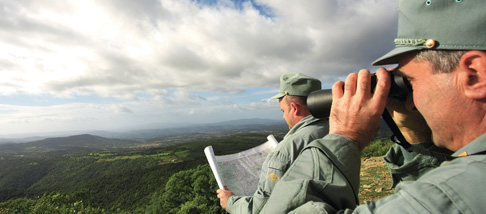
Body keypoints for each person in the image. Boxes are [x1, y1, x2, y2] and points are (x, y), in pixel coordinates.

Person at [260, 0, 486, 213]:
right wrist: (413, 134)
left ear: (474, 75)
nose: (410, 101)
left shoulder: (453, 191)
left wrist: (343, 137)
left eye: (411, 81)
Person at [216, 73, 329, 213]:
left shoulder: (286, 150)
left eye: (283, 110)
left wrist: (230, 202)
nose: (283, 116)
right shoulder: (334, 132)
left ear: (294, 108)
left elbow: (261, 209)